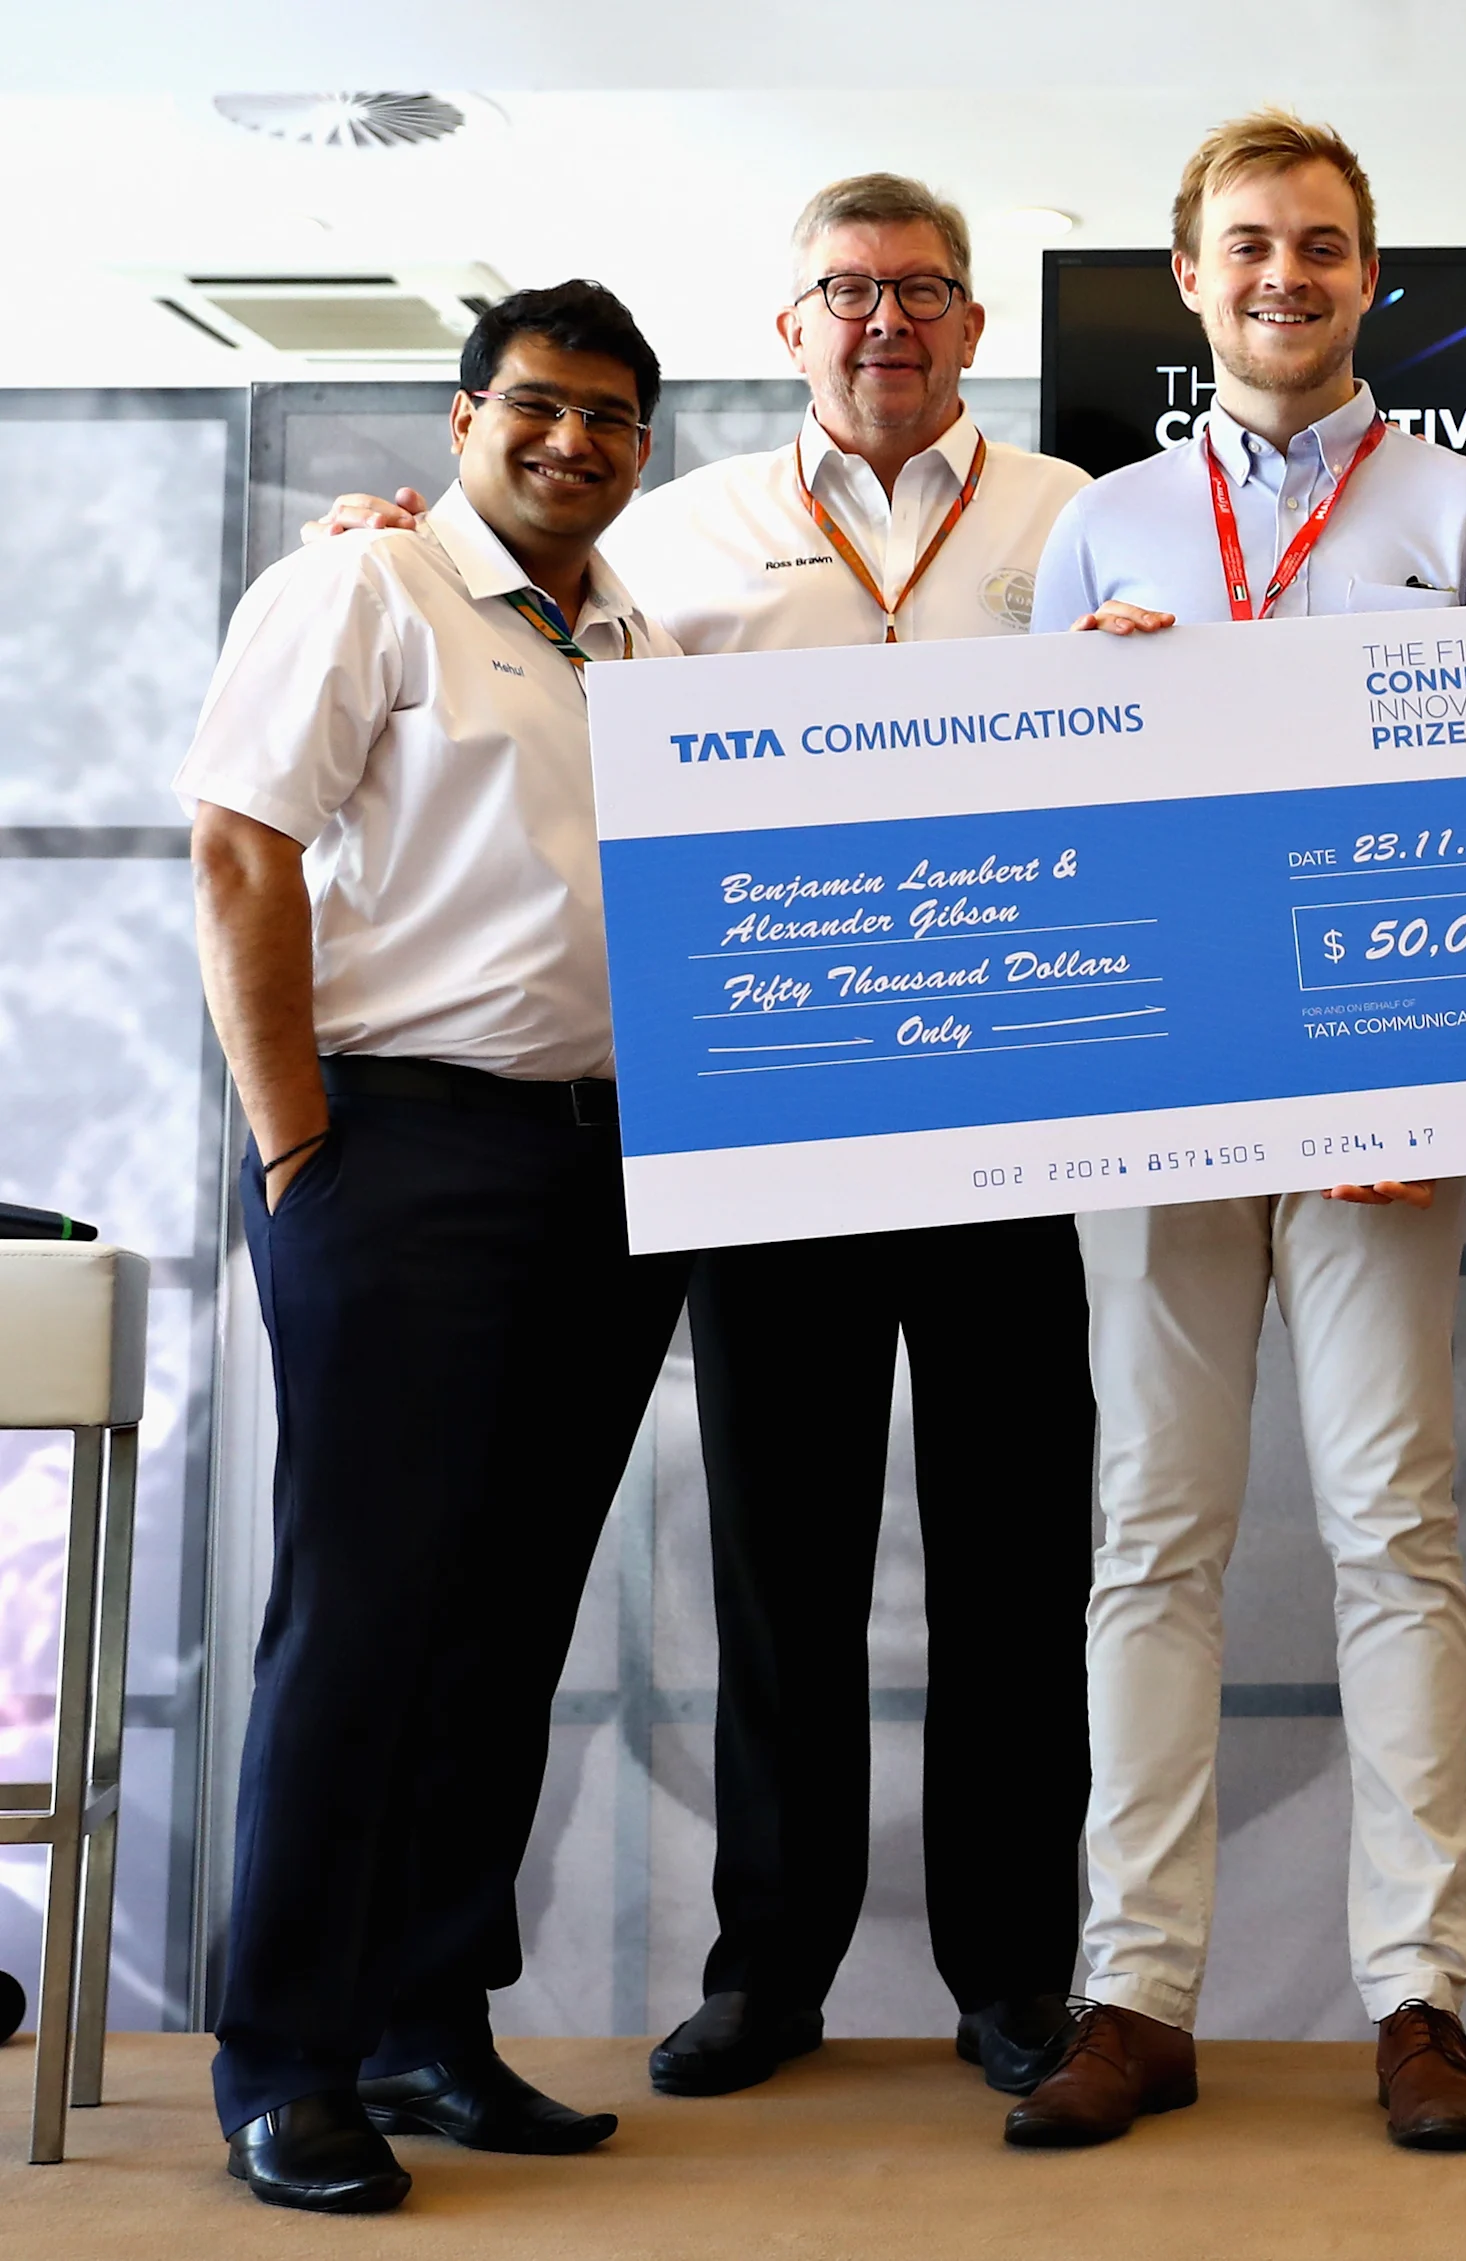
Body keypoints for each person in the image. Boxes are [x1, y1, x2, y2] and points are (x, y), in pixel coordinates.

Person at [308, 174, 1102, 2108]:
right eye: (848, 291)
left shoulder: (1081, 521)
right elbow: (521, 589)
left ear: (973, 325)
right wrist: (388, 538)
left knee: (1015, 1562)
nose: (883, 321)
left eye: (920, 292)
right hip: (768, 1113)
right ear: (793, 323)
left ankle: (1015, 1972)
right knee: (781, 1557)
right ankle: (775, 1966)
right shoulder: (675, 530)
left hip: (1019, 1107)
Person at [999, 107, 1466, 2155]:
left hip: (1382, 1095)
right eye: (1249, 243)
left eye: (1321, 244)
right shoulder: (1102, 528)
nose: (1284, 276)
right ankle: (1134, 1991)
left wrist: (1463, 1088)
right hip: (1149, 1083)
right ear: (1189, 275)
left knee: (1397, 1531)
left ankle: (1420, 1996)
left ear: (1366, 276)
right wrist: (1089, 697)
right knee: (1151, 1534)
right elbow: (1042, 818)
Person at [183, 282, 685, 2212]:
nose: (576, 443)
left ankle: (424, 2026)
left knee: (505, 1618)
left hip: (602, 1166)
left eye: (615, 420)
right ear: (465, 415)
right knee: (363, 1613)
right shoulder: (363, 592)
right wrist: (298, 1135)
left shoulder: (626, 633)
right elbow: (239, 844)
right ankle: (284, 2059)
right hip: (398, 1149)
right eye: (541, 409)